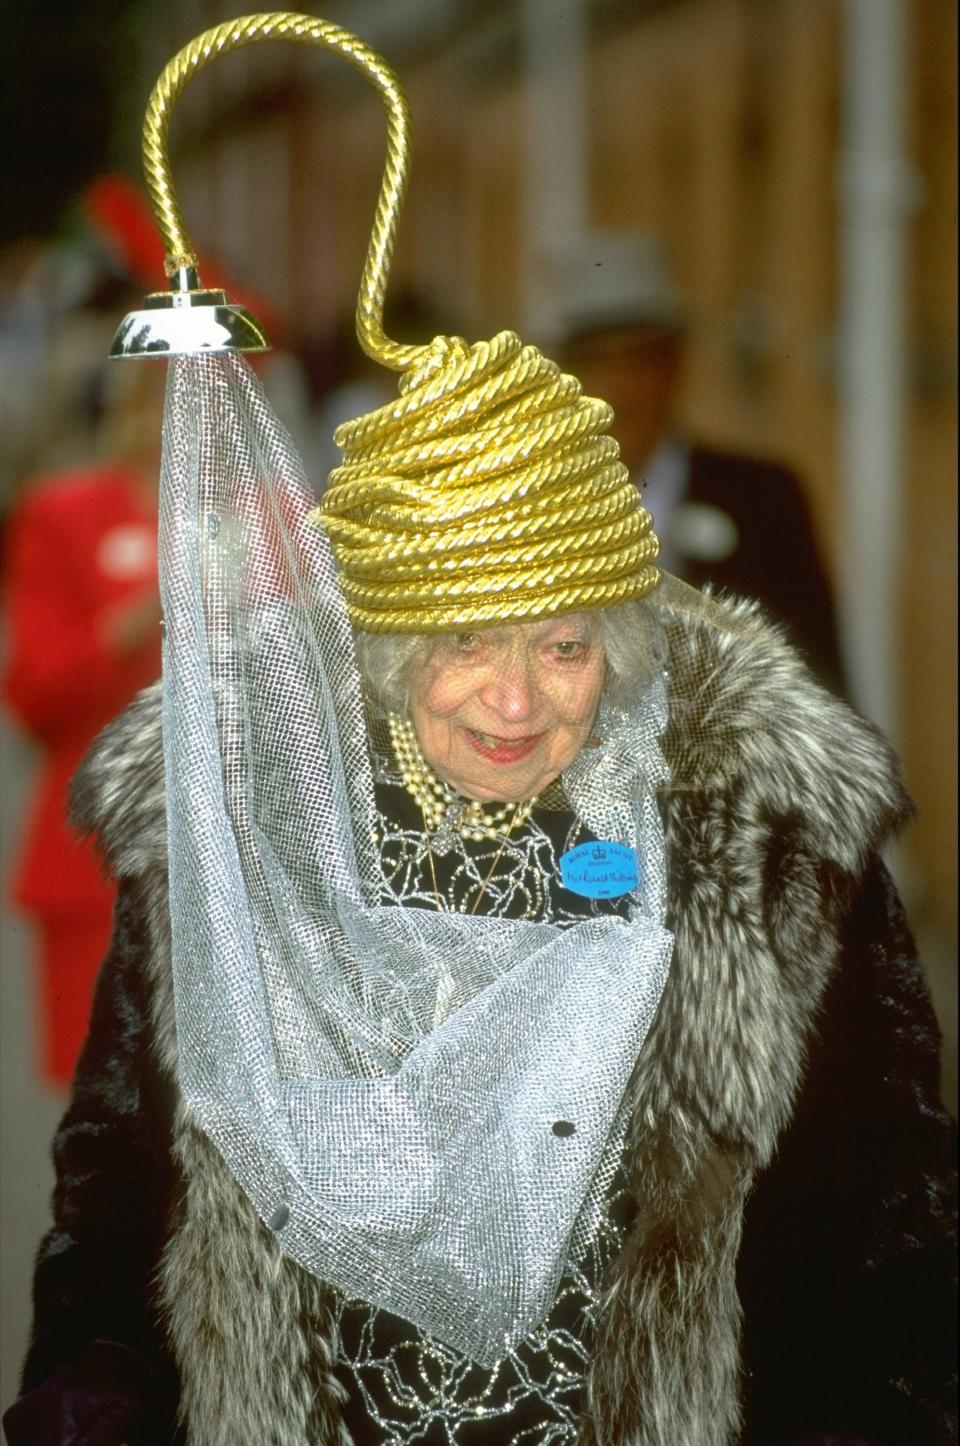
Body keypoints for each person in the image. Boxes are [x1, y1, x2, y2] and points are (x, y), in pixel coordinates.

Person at [2, 305, 954, 1446]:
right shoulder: (250, 825)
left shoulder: (758, 848)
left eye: (563, 647)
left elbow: (884, 1232)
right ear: (387, 647)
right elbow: (118, 1202)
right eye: (465, 644)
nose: (516, 702)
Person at [552, 230, 846, 692]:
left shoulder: (763, 500)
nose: (621, 389)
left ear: (675, 366)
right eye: (599, 365)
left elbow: (820, 683)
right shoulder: (532, 507)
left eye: (639, 362)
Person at [1, 360, 163, 1088]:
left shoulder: (268, 512)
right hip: (96, 863)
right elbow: (35, 692)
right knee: (107, 1109)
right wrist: (127, 624)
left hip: (236, 858)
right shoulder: (64, 512)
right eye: (152, 387)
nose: (167, 409)